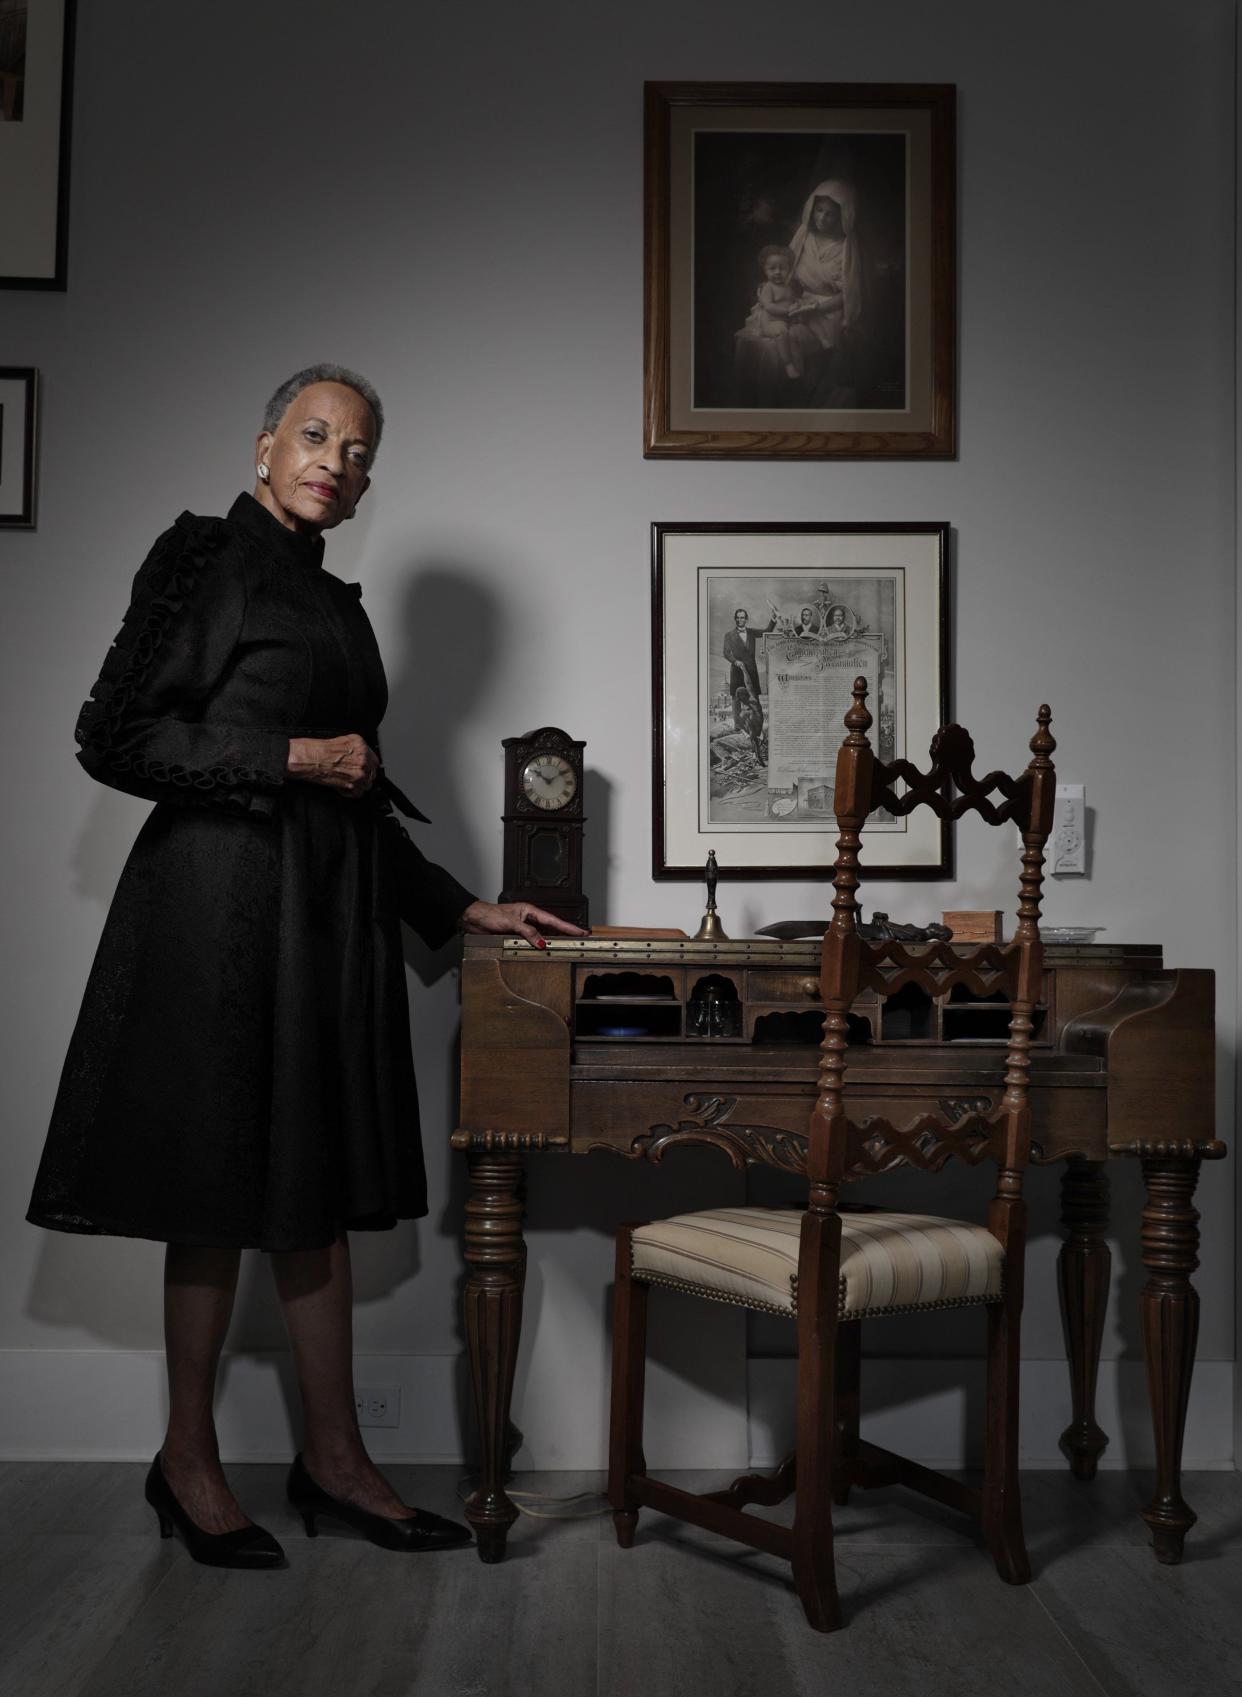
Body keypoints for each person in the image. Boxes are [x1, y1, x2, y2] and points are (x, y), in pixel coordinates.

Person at [26, 364, 583, 1570]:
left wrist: (466, 906)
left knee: (312, 1188)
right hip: (217, 914)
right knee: (218, 1192)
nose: (337, 457)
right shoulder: (202, 555)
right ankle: (188, 1459)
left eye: (359, 448)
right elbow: (113, 735)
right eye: (316, 433)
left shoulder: (339, 604)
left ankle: (334, 1460)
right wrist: (284, 754)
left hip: (326, 924)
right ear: (265, 443)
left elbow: (361, 795)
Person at [736, 245, 804, 379]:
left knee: (798, 331)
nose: (778, 272)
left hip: (786, 320)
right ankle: (788, 364)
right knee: (781, 331)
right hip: (770, 323)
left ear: (789, 270)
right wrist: (787, 310)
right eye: (772, 269)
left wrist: (797, 304)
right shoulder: (768, 287)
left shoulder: (788, 287)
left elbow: (793, 299)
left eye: (782, 268)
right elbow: (769, 307)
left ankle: (799, 365)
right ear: (765, 270)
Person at [722, 608, 763, 728]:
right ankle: (738, 725)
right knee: (736, 698)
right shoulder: (729, 635)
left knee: (754, 697)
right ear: (735, 619)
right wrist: (735, 661)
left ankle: (756, 723)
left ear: (746, 619)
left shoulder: (752, 633)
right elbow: (726, 653)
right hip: (736, 671)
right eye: (738, 618)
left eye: (742, 617)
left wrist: (774, 618)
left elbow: (768, 631)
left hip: (751, 670)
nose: (740, 620)